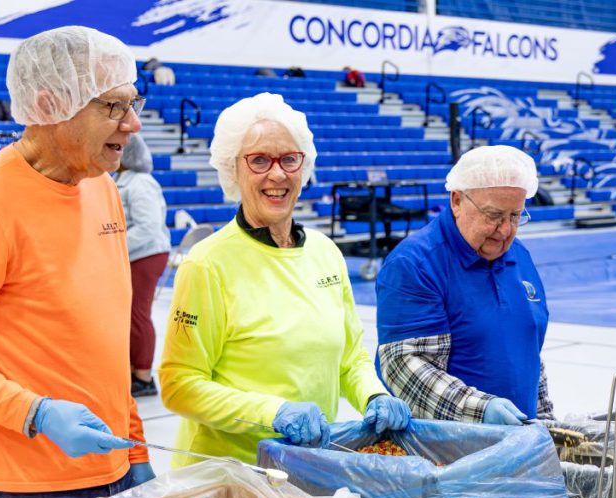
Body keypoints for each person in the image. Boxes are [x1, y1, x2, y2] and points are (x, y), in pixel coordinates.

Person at [0, 26, 152, 498]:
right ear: (49, 104)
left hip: (113, 472)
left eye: (133, 103)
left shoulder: (102, 190)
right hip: (22, 492)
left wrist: (135, 451)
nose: (133, 123)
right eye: (113, 106)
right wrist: (35, 413)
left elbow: (103, 340)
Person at [159, 93, 410, 464]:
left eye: (289, 159)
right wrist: (272, 412)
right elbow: (179, 385)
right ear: (233, 169)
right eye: (259, 160)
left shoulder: (325, 253)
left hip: (304, 467)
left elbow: (350, 357)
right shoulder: (207, 264)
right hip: (227, 474)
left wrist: (374, 395)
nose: (277, 174)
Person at [375, 145, 554, 428]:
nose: (505, 230)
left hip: (520, 441)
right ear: (457, 201)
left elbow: (531, 355)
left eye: (515, 216)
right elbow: (405, 367)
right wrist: (482, 411)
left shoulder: (520, 256)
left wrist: (546, 424)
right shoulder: (415, 264)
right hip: (448, 447)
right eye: (493, 215)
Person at [115, 134, 170, 397]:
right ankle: (131, 370)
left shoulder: (141, 183)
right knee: (128, 314)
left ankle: (144, 376)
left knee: (138, 314)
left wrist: (115, 246)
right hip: (133, 254)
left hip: (146, 255)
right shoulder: (122, 180)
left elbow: (148, 226)